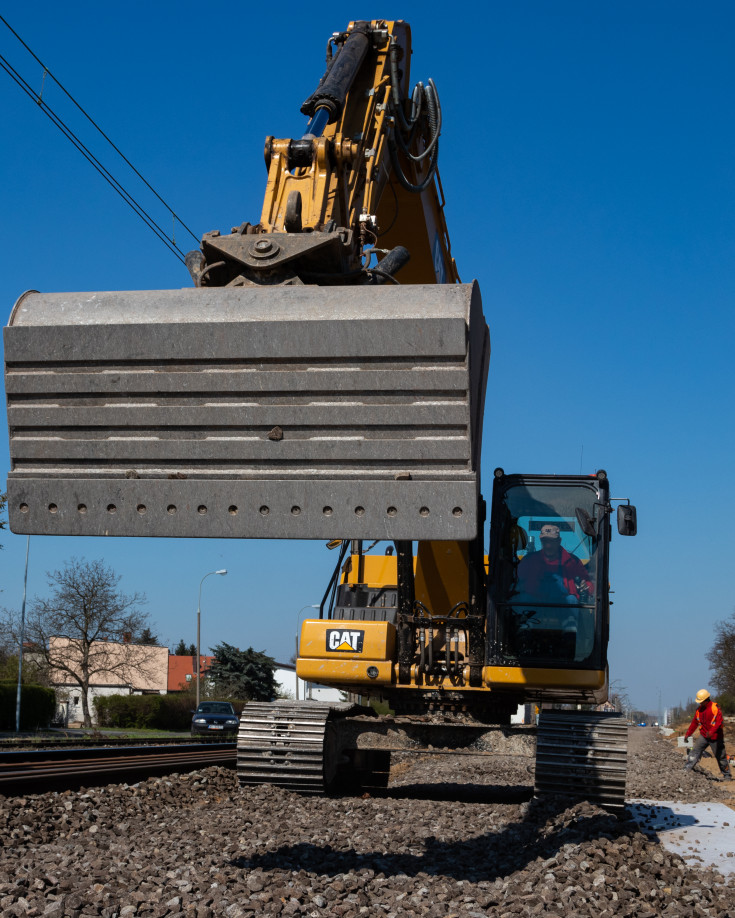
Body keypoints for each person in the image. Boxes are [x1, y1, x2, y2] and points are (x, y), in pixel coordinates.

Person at [515, 523, 593, 604]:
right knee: (524, 598)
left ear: (559, 541)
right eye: (545, 541)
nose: (548, 545)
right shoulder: (529, 560)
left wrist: (585, 587)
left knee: (571, 600)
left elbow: (588, 584)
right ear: (541, 540)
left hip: (564, 609)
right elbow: (516, 582)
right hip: (535, 608)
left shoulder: (573, 561)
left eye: (552, 541)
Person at [684, 689, 732, 779]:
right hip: (704, 735)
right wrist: (688, 734)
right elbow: (694, 723)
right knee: (695, 751)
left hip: (716, 737)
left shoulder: (715, 708)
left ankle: (727, 775)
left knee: (720, 756)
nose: (700, 703)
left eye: (701, 702)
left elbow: (719, 722)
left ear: (706, 700)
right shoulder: (699, 710)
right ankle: (686, 769)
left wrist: (712, 731)